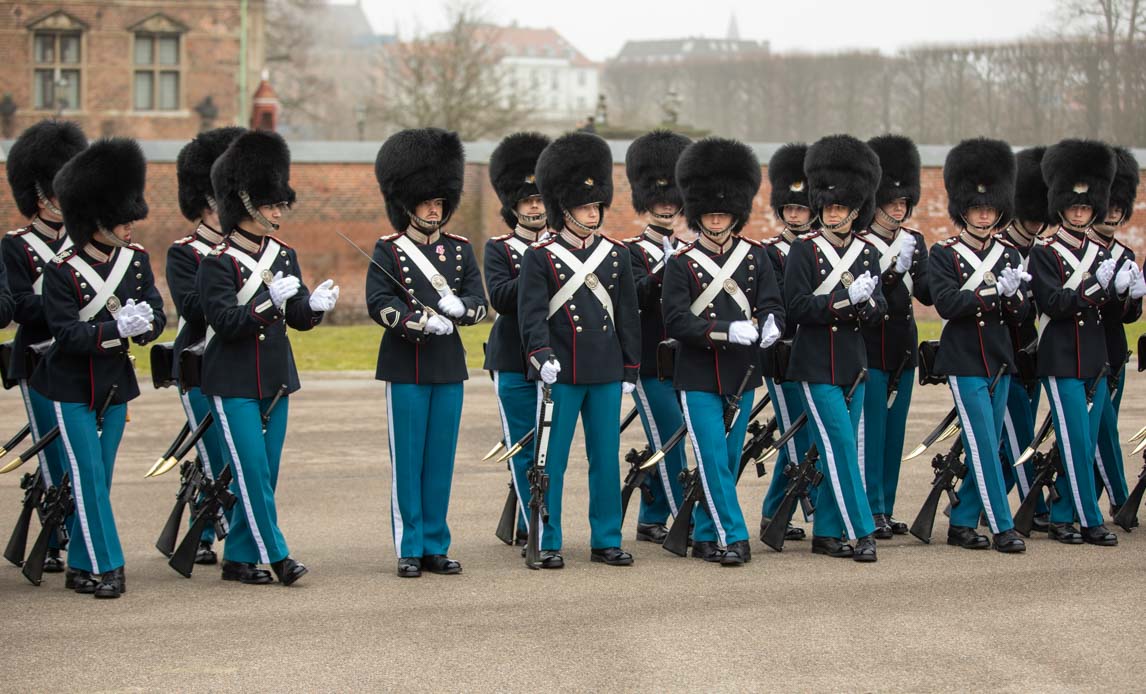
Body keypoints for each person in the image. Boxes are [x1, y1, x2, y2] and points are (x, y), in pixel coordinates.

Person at [198, 130, 338, 585]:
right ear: (246, 203)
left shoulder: (284, 255)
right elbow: (224, 321)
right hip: (232, 379)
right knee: (251, 472)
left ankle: (239, 557)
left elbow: (295, 316)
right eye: (271, 204)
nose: (278, 211)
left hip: (275, 379)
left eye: (280, 204)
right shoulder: (217, 262)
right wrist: (265, 304)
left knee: (266, 471)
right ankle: (277, 555)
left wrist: (312, 306)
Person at [32, 137, 167, 597]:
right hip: (70, 387)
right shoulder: (62, 271)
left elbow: (155, 312)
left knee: (99, 479)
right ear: (95, 219)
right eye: (121, 218)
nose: (129, 225)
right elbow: (66, 332)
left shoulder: (136, 261)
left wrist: (144, 326)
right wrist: (114, 329)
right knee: (88, 474)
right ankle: (109, 565)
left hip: (114, 386)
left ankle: (78, 563)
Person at [518, 131, 641, 569]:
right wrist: (541, 355)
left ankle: (606, 537)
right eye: (586, 206)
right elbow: (530, 315)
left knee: (605, 459)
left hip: (606, 370)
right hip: (561, 370)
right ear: (565, 210)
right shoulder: (541, 255)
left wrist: (630, 368)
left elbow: (627, 314)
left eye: (596, 206)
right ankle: (547, 538)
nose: (593, 212)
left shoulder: (614, 254)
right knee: (551, 458)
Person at [370, 128, 487, 578]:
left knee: (439, 461)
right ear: (409, 204)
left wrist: (463, 310)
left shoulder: (459, 250)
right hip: (405, 365)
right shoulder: (389, 250)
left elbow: (479, 300)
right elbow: (379, 303)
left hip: (447, 365)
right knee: (409, 459)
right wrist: (419, 322)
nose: (434, 209)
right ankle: (409, 544)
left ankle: (436, 543)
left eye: (440, 203)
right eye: (426, 202)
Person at [662, 137, 784, 565]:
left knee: (730, 458)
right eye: (710, 213)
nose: (716, 219)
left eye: (724, 212)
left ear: (736, 214)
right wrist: (725, 330)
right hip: (697, 372)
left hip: (743, 371)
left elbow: (772, 303)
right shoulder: (681, 262)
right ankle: (735, 536)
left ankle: (707, 534)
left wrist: (772, 325)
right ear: (699, 215)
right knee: (712, 454)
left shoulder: (756, 257)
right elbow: (676, 321)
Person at [784, 134, 885, 562]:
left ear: (856, 209)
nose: (834, 213)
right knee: (842, 445)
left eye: (842, 207)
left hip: (853, 364)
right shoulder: (804, 250)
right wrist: (846, 302)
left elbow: (879, 309)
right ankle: (862, 529)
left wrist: (868, 305)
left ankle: (826, 531)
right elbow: (797, 306)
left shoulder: (866, 252)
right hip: (815, 364)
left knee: (840, 449)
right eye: (829, 207)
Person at [929, 137, 1028, 554]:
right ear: (963, 211)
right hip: (965, 358)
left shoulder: (1009, 254)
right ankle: (1004, 526)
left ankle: (965, 520)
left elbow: (1022, 315)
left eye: (989, 209)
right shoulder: (944, 253)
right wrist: (994, 295)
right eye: (976, 209)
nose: (983, 215)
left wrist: (1016, 297)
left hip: (1000, 360)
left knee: (991, 443)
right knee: (984, 442)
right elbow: (947, 302)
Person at [1, 119, 87, 574]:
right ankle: (60, 534)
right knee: (54, 453)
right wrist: (64, 308)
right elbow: (17, 306)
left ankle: (72, 531)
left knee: (80, 454)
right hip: (37, 360)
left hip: (80, 358)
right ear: (39, 193)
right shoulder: (16, 246)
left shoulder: (82, 242)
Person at [1030, 139, 1123, 546]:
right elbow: (1053, 301)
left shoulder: (1106, 253)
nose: (1081, 212)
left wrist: (1125, 294)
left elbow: (1114, 314)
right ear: (1062, 209)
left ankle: (1064, 514)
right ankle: (1089, 519)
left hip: (1096, 357)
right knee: (1075, 439)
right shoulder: (1045, 251)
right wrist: (1095, 289)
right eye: (1074, 207)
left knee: (1085, 440)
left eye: (1087, 208)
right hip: (1062, 356)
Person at [167, 126, 245, 565]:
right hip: (198, 362)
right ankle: (201, 528)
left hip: (241, 362)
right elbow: (193, 307)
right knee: (212, 450)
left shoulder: (253, 251)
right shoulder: (185, 252)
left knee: (238, 453)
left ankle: (237, 530)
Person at [857, 134, 932, 538]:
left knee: (895, 431)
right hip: (869, 347)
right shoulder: (859, 242)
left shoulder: (913, 241)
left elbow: (925, 292)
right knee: (872, 432)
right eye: (893, 202)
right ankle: (869, 508)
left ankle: (885, 504)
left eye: (904, 202)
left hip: (902, 346)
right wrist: (889, 272)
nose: (899, 208)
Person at [623, 129, 692, 544]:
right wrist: (668, 269)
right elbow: (638, 297)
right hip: (648, 363)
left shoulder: (689, 248)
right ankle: (688, 513)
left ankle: (651, 515)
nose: (666, 206)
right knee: (670, 437)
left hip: (684, 362)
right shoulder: (628, 251)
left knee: (671, 439)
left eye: (672, 199)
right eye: (658, 199)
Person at [483, 131, 550, 548]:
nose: (536, 207)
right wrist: (540, 266)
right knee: (523, 444)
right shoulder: (500, 248)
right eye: (528, 201)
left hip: (555, 355)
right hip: (511, 355)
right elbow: (502, 297)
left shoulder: (568, 247)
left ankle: (539, 520)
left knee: (548, 449)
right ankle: (532, 525)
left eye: (541, 200)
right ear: (514, 206)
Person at [758, 142, 815, 542]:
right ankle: (784, 508)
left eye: (801, 208)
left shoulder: (820, 249)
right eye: (789, 209)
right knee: (796, 435)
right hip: (783, 352)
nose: (795, 214)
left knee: (809, 433)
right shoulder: (769, 252)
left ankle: (776, 509)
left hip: (817, 352)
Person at [996, 147, 1052, 530]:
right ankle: (1038, 508)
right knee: (1019, 435)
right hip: (1006, 353)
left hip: (1035, 353)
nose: (1034, 221)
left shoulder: (1045, 251)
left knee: (1014, 434)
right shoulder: (1001, 247)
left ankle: (975, 501)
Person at [1088, 146, 1144, 515]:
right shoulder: (1076, 249)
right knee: (1099, 431)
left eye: (1117, 205)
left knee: (1100, 431)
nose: (1112, 212)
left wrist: (1132, 298)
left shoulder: (1125, 254)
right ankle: (1119, 497)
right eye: (1106, 203)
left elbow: (1127, 317)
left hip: (1113, 351)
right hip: (1082, 353)